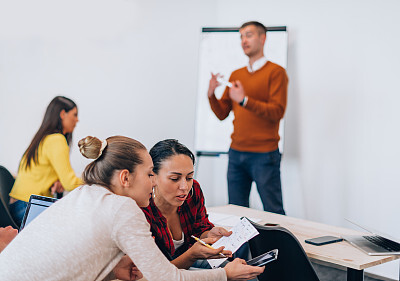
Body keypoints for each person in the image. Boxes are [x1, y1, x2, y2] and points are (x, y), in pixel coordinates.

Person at [0, 135, 264, 281]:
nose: (153, 183)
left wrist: (113, 270)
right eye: (150, 174)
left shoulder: (84, 195)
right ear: (125, 178)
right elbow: (167, 280)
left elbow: (71, 265)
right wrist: (224, 276)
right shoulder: (122, 209)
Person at [207, 21, 288, 215]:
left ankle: (279, 247)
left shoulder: (276, 72)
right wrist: (211, 94)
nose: (244, 40)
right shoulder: (237, 74)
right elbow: (222, 113)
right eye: (241, 36)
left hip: (264, 154)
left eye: (249, 35)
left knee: (273, 212)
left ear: (263, 38)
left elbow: (277, 111)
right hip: (236, 153)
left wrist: (244, 100)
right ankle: (243, 247)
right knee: (236, 212)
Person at [142, 139, 232, 269]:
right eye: (174, 179)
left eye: (189, 177)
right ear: (153, 176)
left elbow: (199, 228)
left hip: (189, 260)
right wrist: (191, 255)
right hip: (161, 272)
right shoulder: (141, 207)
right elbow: (156, 273)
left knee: (239, 270)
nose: (185, 187)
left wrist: (209, 234)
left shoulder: (193, 190)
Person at [9, 96, 82, 226]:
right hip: (27, 206)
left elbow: (53, 177)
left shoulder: (43, 138)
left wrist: (56, 182)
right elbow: (70, 183)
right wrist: (95, 181)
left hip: (16, 206)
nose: (77, 120)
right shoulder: (57, 140)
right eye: (74, 115)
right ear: (63, 114)